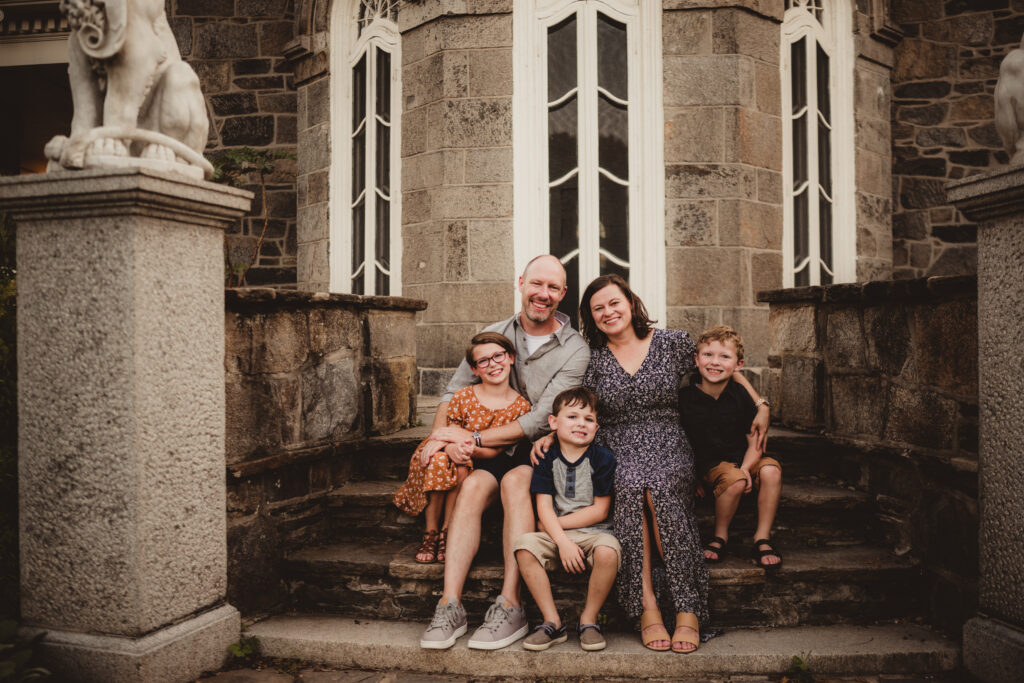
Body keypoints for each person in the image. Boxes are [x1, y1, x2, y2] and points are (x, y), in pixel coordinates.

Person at [532, 274, 769, 654]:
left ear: (630, 302)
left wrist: (760, 403)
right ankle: (647, 605)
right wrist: (552, 433)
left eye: (614, 303)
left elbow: (721, 364)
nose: (608, 312)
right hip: (615, 441)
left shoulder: (672, 342)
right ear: (591, 317)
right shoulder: (594, 358)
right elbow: (578, 404)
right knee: (627, 485)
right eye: (598, 308)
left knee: (660, 484)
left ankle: (688, 607)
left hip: (669, 438)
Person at [418, 255, 591, 651]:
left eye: (553, 287)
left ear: (563, 293)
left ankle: (511, 604)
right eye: (537, 284)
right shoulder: (494, 334)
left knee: (516, 483)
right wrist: (440, 439)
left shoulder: (575, 349)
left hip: (539, 448)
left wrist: (472, 438)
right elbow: (452, 392)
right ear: (521, 283)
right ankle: (449, 604)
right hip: (488, 451)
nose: (543, 294)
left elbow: (539, 418)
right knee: (473, 486)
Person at [393, 332, 531, 564]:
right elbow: (449, 434)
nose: (493, 364)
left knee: (462, 466)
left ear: (510, 358)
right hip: (447, 454)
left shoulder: (521, 407)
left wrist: (469, 450)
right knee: (442, 461)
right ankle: (431, 532)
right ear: (474, 369)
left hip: (481, 459)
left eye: (498, 356)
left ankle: (448, 530)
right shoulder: (463, 396)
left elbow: (497, 450)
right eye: (483, 361)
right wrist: (451, 450)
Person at [514, 387, 620, 652]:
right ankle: (552, 622)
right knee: (525, 547)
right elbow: (543, 506)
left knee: (608, 552)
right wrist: (562, 542)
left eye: (588, 419)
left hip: (595, 532)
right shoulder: (545, 457)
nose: (581, 424)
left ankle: (589, 620)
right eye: (572, 417)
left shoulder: (603, 458)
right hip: (556, 535)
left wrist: (552, 526)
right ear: (553, 422)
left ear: (596, 427)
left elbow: (600, 511)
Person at [679, 325, 782, 569]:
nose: (715, 362)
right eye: (708, 355)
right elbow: (679, 443)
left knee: (771, 471)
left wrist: (746, 468)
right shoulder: (685, 398)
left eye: (724, 356)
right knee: (735, 480)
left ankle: (762, 538)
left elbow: (755, 442)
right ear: (696, 359)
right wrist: (690, 477)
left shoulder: (741, 396)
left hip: (744, 459)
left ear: (738, 365)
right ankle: (720, 536)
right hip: (712, 466)